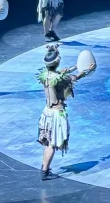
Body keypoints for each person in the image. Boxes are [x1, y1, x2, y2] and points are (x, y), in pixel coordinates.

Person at [37, 42, 96, 179]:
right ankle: (45, 172)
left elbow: (61, 72)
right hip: (56, 114)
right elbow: (74, 78)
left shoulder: (46, 74)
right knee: (52, 144)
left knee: (48, 144)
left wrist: (76, 66)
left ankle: (45, 167)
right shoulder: (59, 79)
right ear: (57, 63)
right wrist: (86, 70)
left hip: (47, 112)